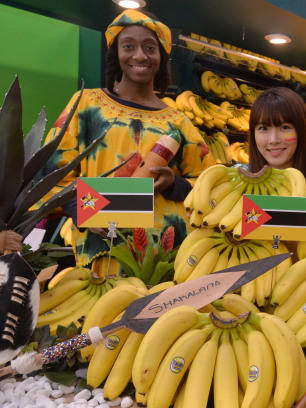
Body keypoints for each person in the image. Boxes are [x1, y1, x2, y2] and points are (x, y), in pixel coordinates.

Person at [35, 9, 215, 275]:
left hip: (167, 258)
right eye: (128, 46)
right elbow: (51, 176)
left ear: (161, 57)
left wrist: (175, 183)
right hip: (104, 251)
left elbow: (210, 183)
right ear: (115, 55)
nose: (140, 55)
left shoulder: (178, 122)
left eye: (150, 48)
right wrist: (82, 211)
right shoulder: (87, 105)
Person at [247, 87, 306, 199]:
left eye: (285, 127)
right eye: (263, 128)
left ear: (301, 132)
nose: (273, 140)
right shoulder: (233, 181)